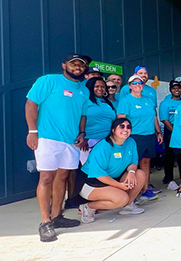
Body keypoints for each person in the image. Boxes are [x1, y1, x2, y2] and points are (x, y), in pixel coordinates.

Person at [26, 53, 91, 242]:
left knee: (62, 177)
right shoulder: (48, 81)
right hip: (47, 138)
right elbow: (31, 104)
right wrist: (32, 131)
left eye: (81, 65)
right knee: (46, 177)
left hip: (70, 141)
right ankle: (45, 222)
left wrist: (81, 133)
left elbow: (83, 115)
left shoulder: (83, 91)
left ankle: (56, 217)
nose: (78, 67)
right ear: (64, 65)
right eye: (74, 64)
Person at [77, 118, 146, 223]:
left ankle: (127, 206)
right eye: (121, 126)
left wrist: (131, 172)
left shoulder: (131, 142)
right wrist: (119, 186)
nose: (125, 129)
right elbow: (99, 175)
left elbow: (133, 162)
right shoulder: (104, 146)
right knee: (122, 198)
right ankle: (88, 207)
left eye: (128, 127)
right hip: (91, 183)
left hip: (113, 178)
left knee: (140, 174)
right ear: (113, 130)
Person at [117, 74, 163, 200]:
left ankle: (146, 189)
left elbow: (154, 117)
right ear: (130, 86)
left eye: (140, 83)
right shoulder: (126, 100)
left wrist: (158, 132)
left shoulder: (148, 99)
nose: (138, 85)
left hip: (149, 136)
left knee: (146, 162)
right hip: (134, 137)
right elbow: (121, 119)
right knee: (133, 164)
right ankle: (132, 191)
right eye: (135, 83)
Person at [159, 81, 181, 189]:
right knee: (170, 155)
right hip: (170, 130)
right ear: (170, 90)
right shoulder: (165, 103)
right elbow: (165, 119)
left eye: (179, 88)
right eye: (174, 88)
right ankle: (169, 178)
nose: (177, 90)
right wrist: (174, 131)